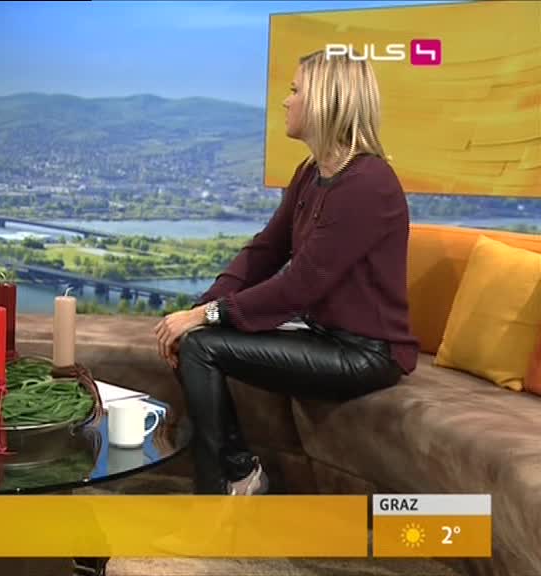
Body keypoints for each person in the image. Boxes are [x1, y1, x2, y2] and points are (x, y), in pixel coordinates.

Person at [154, 50, 419, 495]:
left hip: (366, 353)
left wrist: (205, 317)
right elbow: (265, 251)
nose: (286, 100)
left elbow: (300, 285)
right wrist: (199, 309)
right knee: (193, 338)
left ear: (325, 100)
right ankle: (240, 474)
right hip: (323, 334)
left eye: (295, 90)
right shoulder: (311, 173)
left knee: (200, 346)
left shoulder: (368, 183)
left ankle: (218, 491)